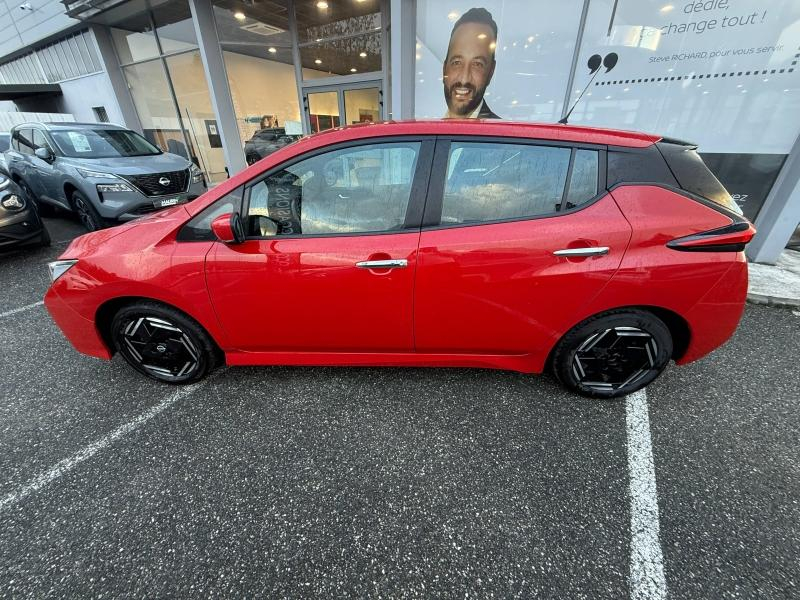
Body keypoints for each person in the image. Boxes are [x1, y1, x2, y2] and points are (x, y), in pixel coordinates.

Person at [442, 7, 500, 119]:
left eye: (477, 64)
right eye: (457, 62)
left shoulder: (502, 135)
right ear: (444, 68)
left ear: (491, 72)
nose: (464, 79)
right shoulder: (427, 132)